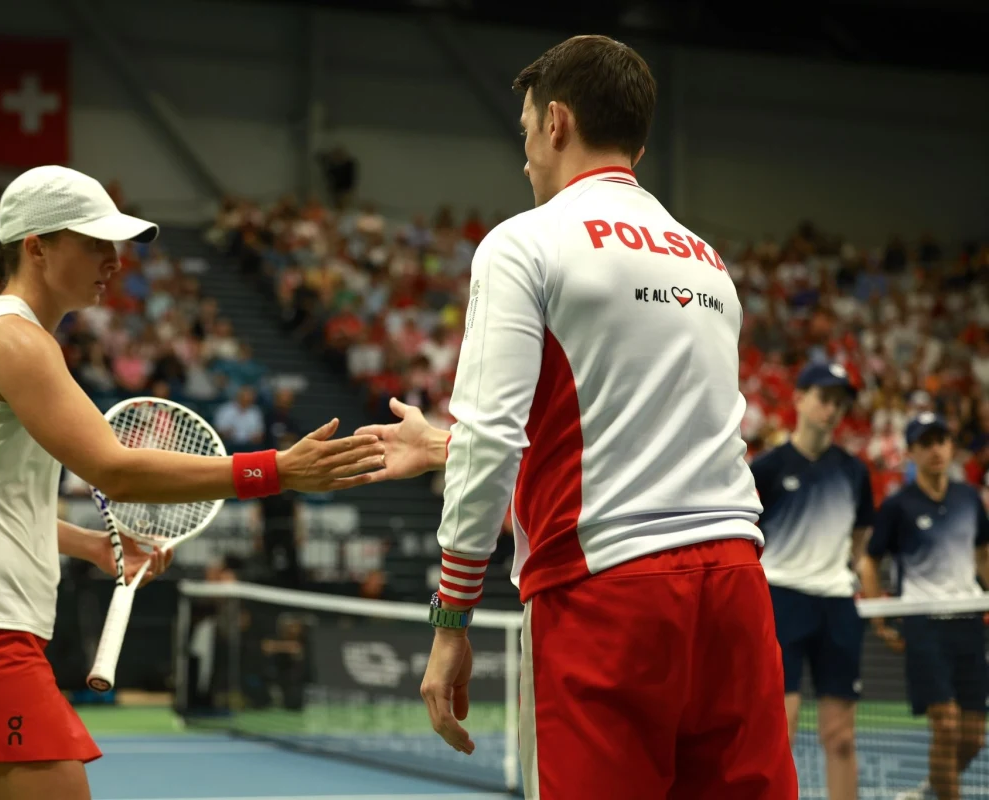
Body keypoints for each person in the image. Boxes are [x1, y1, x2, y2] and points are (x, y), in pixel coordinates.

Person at [357, 35, 795, 799]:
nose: (525, 157)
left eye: (525, 132)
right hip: (734, 584)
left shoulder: (525, 243)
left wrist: (451, 620)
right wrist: (442, 447)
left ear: (556, 122)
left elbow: (497, 438)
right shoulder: (705, 260)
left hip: (607, 595)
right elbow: (638, 433)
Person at [0, 165, 385, 800]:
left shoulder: (0, 334)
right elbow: (114, 469)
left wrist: (91, 545)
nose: (113, 261)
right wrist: (275, 471)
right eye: (94, 243)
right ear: (37, 245)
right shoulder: (14, 341)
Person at [750, 362, 874, 800]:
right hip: (780, 600)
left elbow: (861, 535)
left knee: (840, 735)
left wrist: (839, 568)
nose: (832, 410)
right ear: (798, 399)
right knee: (780, 726)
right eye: (824, 398)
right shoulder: (764, 470)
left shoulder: (855, 473)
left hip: (836, 604)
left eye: (840, 403)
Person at [858, 414, 989, 800]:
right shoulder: (898, 506)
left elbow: (983, 552)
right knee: (946, 726)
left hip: (968, 622)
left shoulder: (968, 499)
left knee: (973, 739)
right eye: (926, 443)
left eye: (941, 440)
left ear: (950, 447)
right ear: (912, 451)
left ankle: (931, 789)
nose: (935, 449)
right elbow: (869, 560)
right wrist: (881, 619)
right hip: (924, 624)